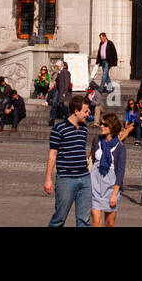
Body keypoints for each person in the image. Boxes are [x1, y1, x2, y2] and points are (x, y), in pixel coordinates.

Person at [44, 95, 92, 227]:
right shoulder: (59, 129)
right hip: (66, 178)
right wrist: (48, 178)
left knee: (85, 220)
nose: (88, 114)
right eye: (86, 111)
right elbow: (53, 154)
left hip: (84, 177)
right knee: (59, 218)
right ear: (76, 111)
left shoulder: (84, 128)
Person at [90, 111, 127, 227]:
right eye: (101, 123)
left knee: (110, 223)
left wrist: (114, 194)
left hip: (111, 187)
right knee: (95, 222)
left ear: (112, 127)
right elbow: (91, 159)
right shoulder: (97, 141)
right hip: (95, 184)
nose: (101, 126)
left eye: (105, 125)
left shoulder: (120, 147)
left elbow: (120, 172)